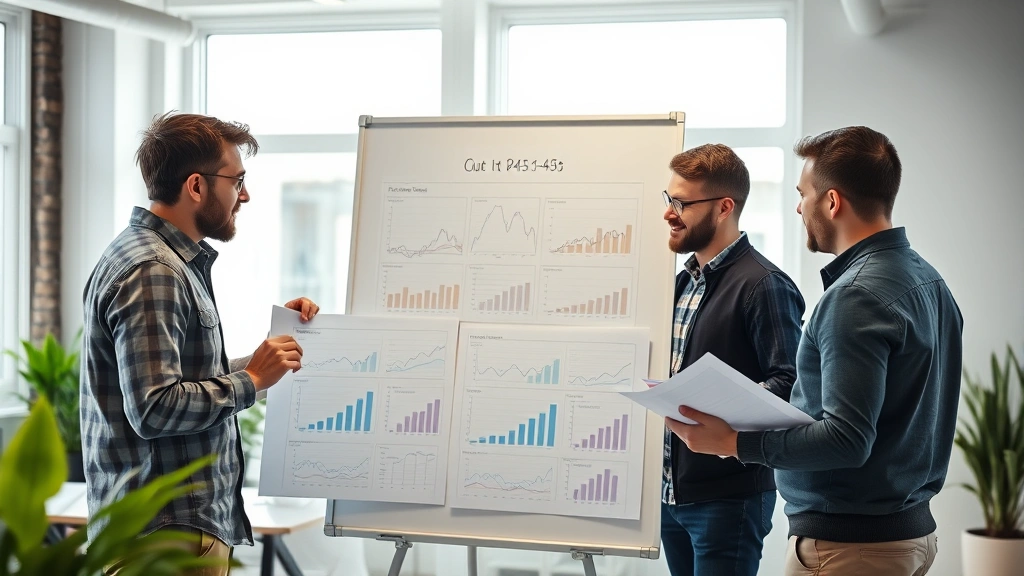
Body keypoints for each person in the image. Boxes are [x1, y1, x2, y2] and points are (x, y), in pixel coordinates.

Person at [668, 126, 963, 576]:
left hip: (849, 547)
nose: (799, 206)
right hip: (904, 535)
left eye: (803, 193)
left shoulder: (855, 296)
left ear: (832, 201)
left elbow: (846, 438)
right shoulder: (930, 281)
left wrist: (733, 442)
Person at [80, 112, 320, 574]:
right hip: (167, 538)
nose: (244, 195)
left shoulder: (154, 258)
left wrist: (265, 361)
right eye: (237, 180)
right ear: (196, 185)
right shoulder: (155, 270)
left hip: (164, 531)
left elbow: (174, 377)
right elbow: (154, 407)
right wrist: (251, 380)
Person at [659, 144, 805, 576]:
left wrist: (717, 406)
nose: (669, 213)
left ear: (724, 208)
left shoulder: (765, 285)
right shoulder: (682, 282)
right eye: (669, 200)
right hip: (672, 495)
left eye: (682, 203)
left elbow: (791, 384)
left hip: (729, 498)